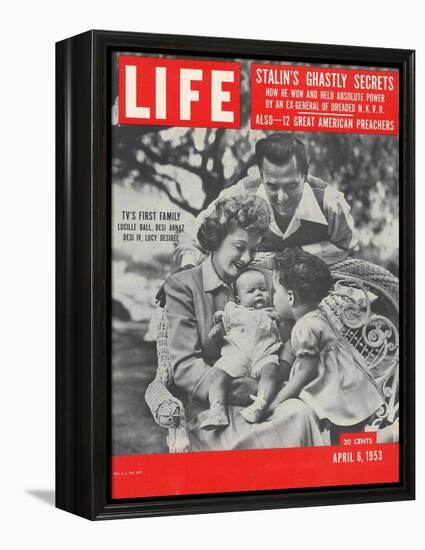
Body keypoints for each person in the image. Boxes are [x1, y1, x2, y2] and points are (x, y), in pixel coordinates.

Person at [164, 192, 327, 451]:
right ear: (217, 239)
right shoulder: (183, 286)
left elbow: (286, 332)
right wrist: (255, 391)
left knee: (300, 413)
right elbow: (184, 367)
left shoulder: (263, 280)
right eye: (240, 247)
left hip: (266, 395)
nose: (247, 258)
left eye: (254, 249)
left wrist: (278, 380)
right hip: (213, 411)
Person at [174, 133, 357, 268]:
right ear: (261, 176)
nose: (282, 197)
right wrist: (188, 271)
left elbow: (347, 248)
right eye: (272, 186)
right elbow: (191, 235)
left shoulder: (330, 203)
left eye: (291, 186)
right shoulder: (242, 194)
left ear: (305, 174)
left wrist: (294, 257)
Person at [271, 248, 385, 432]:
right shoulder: (318, 314)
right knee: (348, 441)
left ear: (291, 297)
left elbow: (305, 373)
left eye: (275, 292)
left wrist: (277, 400)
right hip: (352, 386)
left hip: (339, 395)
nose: (273, 298)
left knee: (342, 444)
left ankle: (390, 436)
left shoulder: (304, 328)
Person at [199, 268, 282, 430]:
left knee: (271, 371)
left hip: (264, 355)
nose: (258, 294)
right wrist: (218, 329)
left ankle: (260, 405)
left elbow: (284, 333)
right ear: (238, 299)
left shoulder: (273, 313)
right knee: (217, 373)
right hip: (236, 355)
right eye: (251, 291)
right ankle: (217, 409)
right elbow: (222, 324)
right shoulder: (233, 310)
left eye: (263, 289)